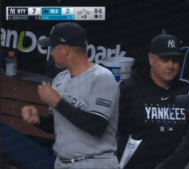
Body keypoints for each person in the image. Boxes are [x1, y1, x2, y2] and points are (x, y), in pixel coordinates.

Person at [21, 22, 120, 169]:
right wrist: (39, 120)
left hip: (95, 162)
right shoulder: (59, 80)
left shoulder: (102, 78)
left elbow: (97, 126)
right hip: (62, 162)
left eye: (54, 48)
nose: (51, 53)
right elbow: (62, 125)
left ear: (66, 49)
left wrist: (57, 101)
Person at [117, 33, 189, 169]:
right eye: (165, 60)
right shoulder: (130, 89)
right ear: (151, 59)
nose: (171, 66)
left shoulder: (188, 91)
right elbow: (113, 132)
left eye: (175, 60)